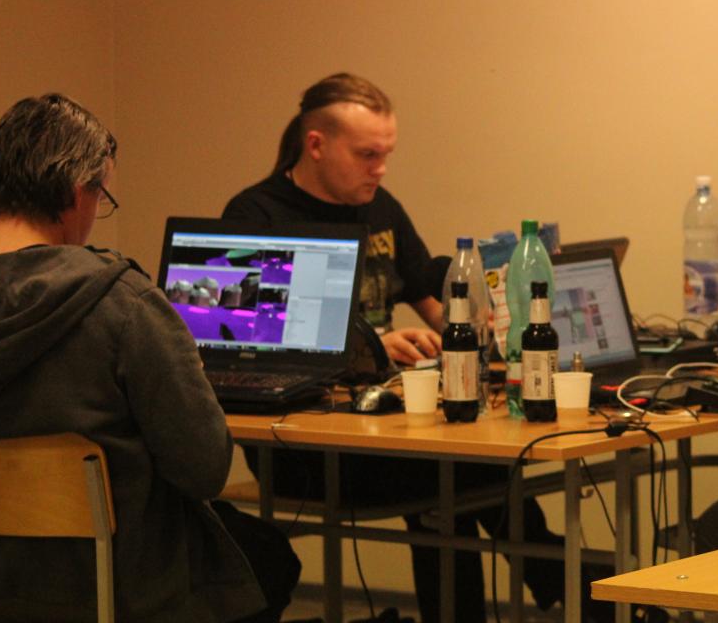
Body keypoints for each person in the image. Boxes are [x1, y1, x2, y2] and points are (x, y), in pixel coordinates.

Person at [223, 73, 598, 623]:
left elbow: (437, 305)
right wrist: (373, 344)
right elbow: (250, 342)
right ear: (316, 144)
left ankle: (567, 589)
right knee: (464, 473)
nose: (380, 169)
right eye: (367, 155)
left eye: (386, 155)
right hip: (301, 448)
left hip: (383, 424)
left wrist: (489, 322)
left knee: (464, 469)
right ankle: (576, 587)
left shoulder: (381, 209)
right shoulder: (255, 217)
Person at [0, 94, 299, 622]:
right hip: (120, 587)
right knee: (270, 557)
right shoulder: (122, 303)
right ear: (78, 191)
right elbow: (205, 470)